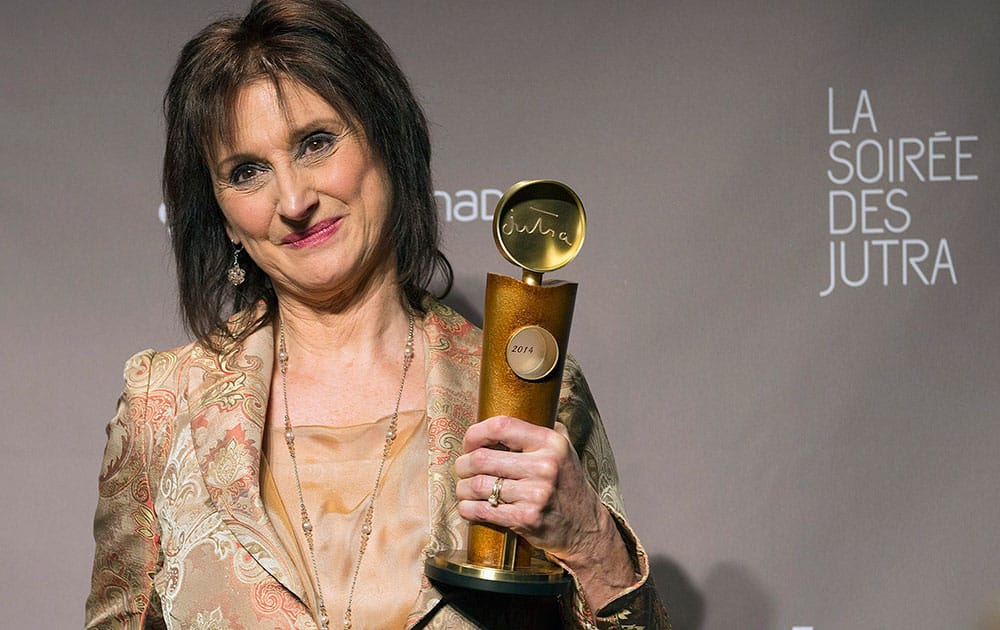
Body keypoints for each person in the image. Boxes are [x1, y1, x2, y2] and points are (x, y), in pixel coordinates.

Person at [86, 1, 669, 628]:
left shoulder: (532, 393)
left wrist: (592, 545)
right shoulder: (159, 406)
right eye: (247, 171)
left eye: (315, 143)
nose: (293, 200)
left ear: (386, 141)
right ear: (224, 215)